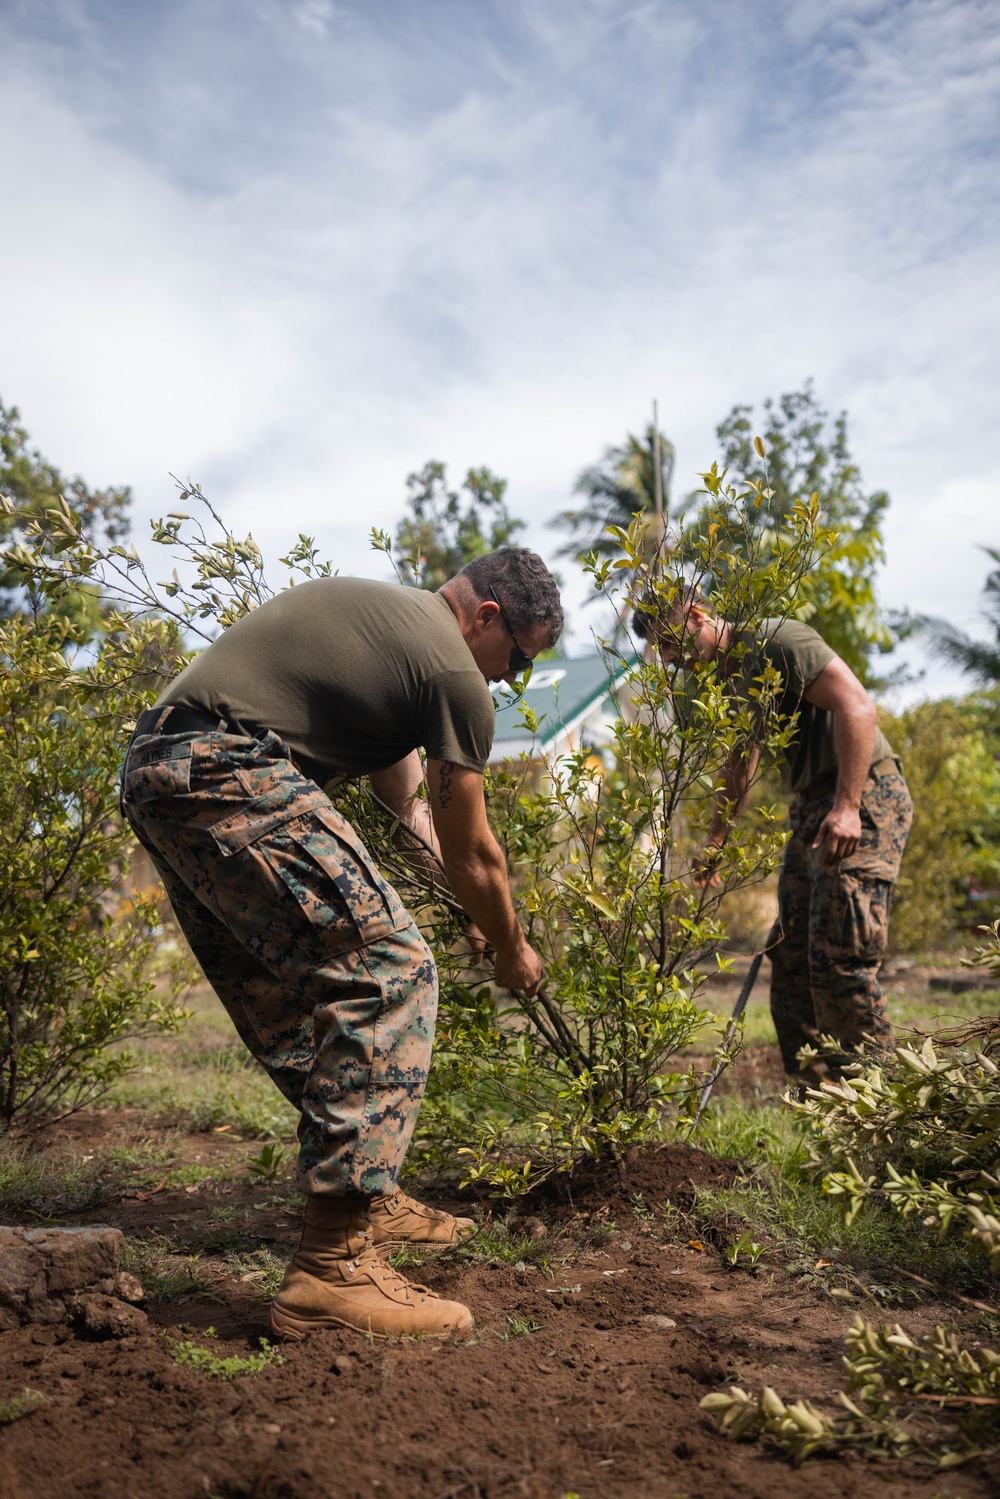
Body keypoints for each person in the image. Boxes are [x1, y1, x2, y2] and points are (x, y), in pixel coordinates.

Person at [120, 548, 562, 1340]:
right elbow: (476, 852)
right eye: (519, 657)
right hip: (225, 764)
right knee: (390, 968)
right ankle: (332, 1266)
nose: (514, 677)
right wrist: (511, 945)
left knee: (292, 996)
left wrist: (466, 904)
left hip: (162, 767)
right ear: (486, 617)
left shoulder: (393, 638)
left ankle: (371, 1198)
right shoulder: (455, 673)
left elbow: (421, 821)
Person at [632, 591, 913, 1085]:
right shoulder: (733, 678)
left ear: (698, 616)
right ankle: (817, 1097)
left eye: (672, 645)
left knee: (840, 960)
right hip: (811, 805)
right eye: (664, 653)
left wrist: (848, 808)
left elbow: (858, 707)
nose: (671, 661)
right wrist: (718, 837)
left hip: (864, 794)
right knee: (789, 952)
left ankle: (881, 1104)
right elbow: (741, 759)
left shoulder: (776, 640)